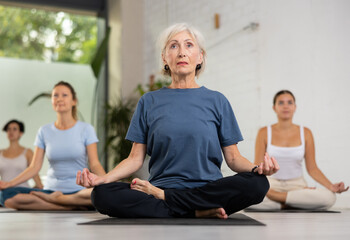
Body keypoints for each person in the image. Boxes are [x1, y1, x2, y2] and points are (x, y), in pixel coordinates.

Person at [76, 23, 279, 219]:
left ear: (200, 57)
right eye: (174, 46)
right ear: (165, 58)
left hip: (206, 189)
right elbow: (134, 159)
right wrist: (103, 179)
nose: (182, 52)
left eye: (189, 45)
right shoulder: (149, 101)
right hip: (161, 187)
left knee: (258, 184)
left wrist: (256, 169)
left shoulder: (217, 101)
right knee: (101, 195)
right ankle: (195, 210)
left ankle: (169, 201)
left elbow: (234, 158)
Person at [0, 81, 106, 210]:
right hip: (51, 191)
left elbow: (95, 164)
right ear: (52, 101)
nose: (59, 99)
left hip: (79, 192)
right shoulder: (44, 131)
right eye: (55, 95)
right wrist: (9, 183)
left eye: (64, 95)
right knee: (5, 195)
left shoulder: (86, 129)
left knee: (99, 194)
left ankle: (60, 202)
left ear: (74, 101)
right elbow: (34, 166)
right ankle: (69, 206)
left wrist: (106, 184)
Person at [250, 90, 348, 210]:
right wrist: (262, 188)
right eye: (281, 103)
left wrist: (331, 186)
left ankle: (278, 201)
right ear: (274, 108)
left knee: (329, 197)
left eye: (289, 102)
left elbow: (312, 168)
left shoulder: (306, 133)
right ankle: (293, 202)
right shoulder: (264, 132)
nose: (285, 106)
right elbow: (258, 166)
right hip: (271, 184)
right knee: (246, 199)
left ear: (295, 107)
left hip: (297, 186)